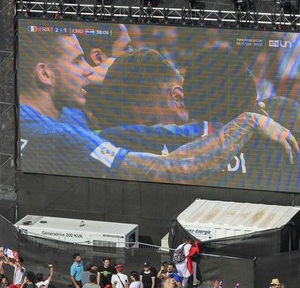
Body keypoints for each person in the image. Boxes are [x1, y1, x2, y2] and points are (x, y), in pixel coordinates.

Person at [17, 32, 299, 182]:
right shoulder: (62, 134)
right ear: (44, 74)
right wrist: (248, 122)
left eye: (85, 60)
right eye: (77, 61)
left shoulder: (62, 116)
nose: (88, 72)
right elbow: (169, 168)